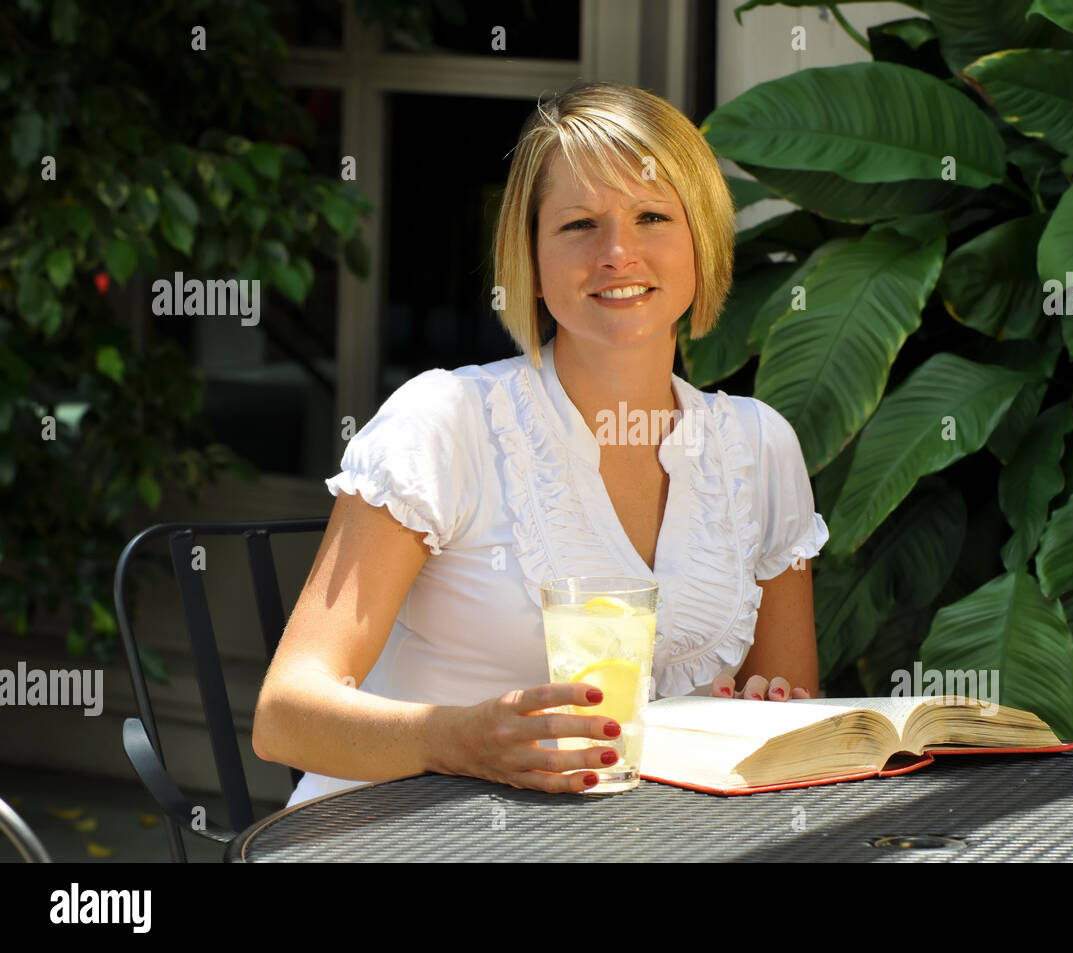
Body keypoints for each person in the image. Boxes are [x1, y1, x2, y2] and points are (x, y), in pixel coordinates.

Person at [252, 81, 829, 805]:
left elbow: (790, 725)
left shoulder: (761, 447)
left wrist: (766, 714)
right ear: (529, 254)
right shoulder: (446, 419)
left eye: (652, 215)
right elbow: (285, 716)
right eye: (580, 224)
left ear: (703, 240)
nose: (618, 252)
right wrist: (459, 739)